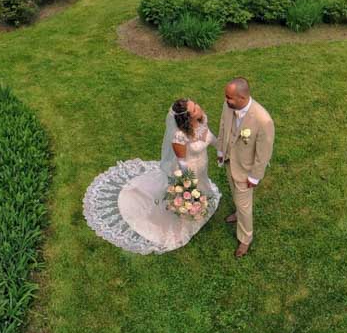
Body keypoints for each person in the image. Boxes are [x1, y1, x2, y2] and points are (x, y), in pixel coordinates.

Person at [82, 99, 221, 254]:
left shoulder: (201, 119)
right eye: (194, 109)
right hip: (187, 170)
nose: (199, 108)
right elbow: (182, 161)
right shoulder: (179, 137)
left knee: (202, 186)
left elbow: (209, 135)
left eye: (195, 105)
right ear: (187, 118)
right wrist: (186, 181)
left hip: (202, 165)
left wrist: (220, 150)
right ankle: (183, 219)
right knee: (186, 194)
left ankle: (199, 205)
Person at [216, 77, 274, 258]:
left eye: (229, 97)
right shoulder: (229, 106)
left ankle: (245, 239)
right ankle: (237, 213)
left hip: (246, 170)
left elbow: (263, 153)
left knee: (244, 207)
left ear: (242, 98)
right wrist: (220, 149)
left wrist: (255, 176)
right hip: (230, 161)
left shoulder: (263, 120)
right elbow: (223, 127)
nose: (225, 100)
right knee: (235, 194)